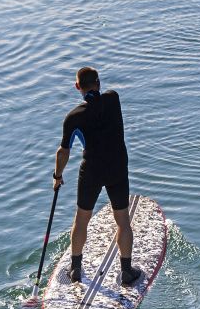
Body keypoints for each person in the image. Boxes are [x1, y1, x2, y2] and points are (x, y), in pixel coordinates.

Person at [53, 67, 142, 286]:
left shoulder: (73, 117)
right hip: (117, 168)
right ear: (98, 82)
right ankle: (126, 271)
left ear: (77, 87)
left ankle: (75, 269)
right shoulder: (113, 99)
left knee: (82, 219)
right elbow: (100, 103)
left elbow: (63, 152)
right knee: (122, 220)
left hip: (91, 170)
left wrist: (57, 176)